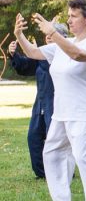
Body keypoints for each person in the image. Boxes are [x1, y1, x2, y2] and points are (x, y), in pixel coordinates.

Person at [13, 0, 86, 201]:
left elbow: (78, 55)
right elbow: (33, 53)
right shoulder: (60, 45)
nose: (69, 20)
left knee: (84, 158)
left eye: (74, 16)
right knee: (51, 153)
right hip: (61, 112)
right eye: (68, 16)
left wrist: (54, 34)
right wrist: (19, 35)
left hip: (84, 113)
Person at [8, 22, 69, 179]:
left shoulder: (67, 54)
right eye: (47, 34)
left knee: (55, 138)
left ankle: (62, 170)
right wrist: (13, 54)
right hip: (41, 102)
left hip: (57, 102)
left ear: (62, 37)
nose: (48, 36)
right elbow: (25, 66)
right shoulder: (41, 54)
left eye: (52, 33)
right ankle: (42, 173)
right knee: (33, 137)